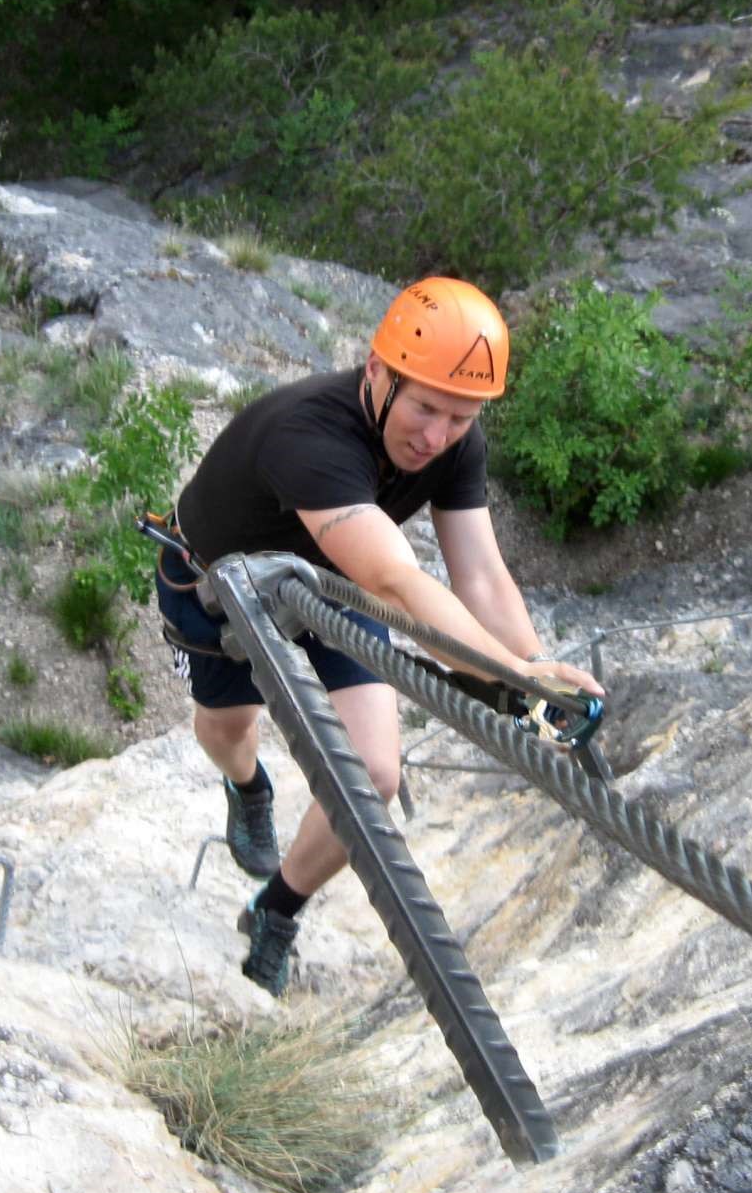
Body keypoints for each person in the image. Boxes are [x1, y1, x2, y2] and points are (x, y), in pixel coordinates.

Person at [153, 276, 606, 996]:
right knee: (228, 728)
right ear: (377, 372)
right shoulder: (311, 435)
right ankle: (247, 786)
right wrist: (515, 681)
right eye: (425, 408)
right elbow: (397, 584)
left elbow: (480, 573)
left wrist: (533, 666)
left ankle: (276, 909)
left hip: (333, 582)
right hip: (214, 586)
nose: (436, 437)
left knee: (375, 777)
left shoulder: (455, 442)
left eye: (460, 418)